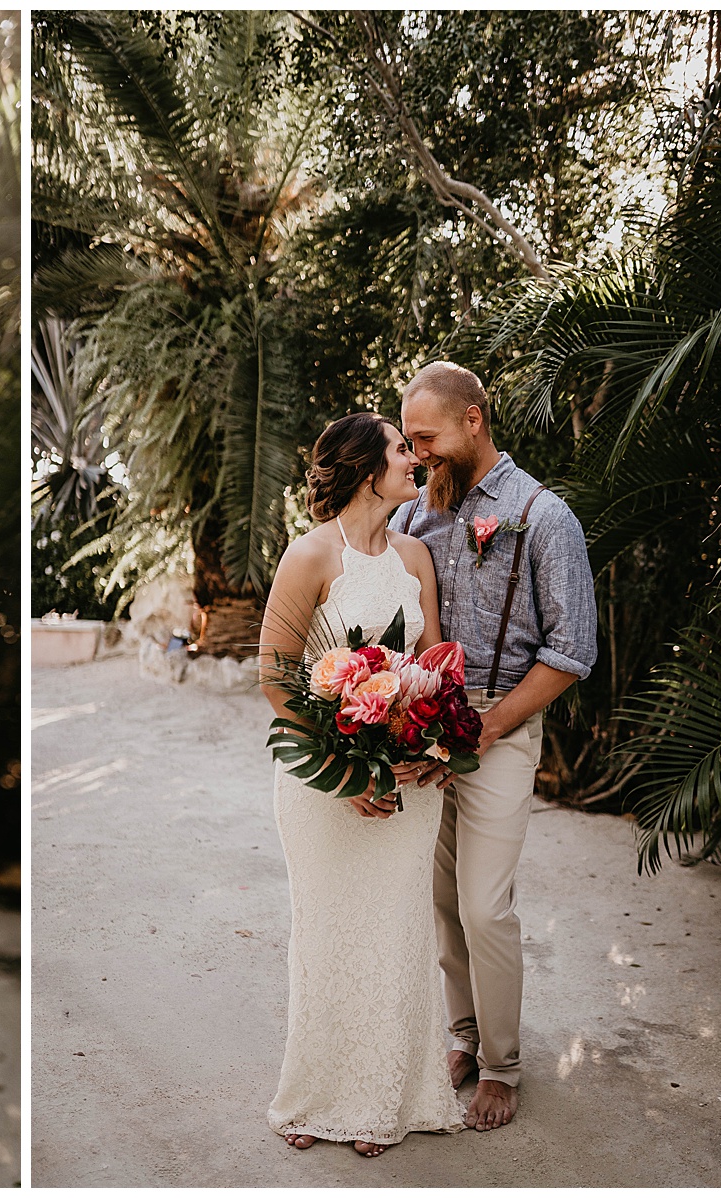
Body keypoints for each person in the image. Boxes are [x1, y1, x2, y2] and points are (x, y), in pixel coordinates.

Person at [390, 361, 597, 1132]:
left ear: (474, 420)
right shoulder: (417, 515)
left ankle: (504, 1066)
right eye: (408, 442)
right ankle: (465, 1037)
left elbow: (572, 650)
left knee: (484, 906)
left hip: (499, 727)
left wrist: (493, 722)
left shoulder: (543, 516)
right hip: (423, 725)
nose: (417, 455)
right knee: (441, 900)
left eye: (427, 438)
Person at [260, 412, 465, 1157]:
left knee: (396, 933)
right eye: (401, 450)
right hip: (324, 782)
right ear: (363, 469)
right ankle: (317, 1098)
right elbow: (277, 679)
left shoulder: (415, 557)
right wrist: (343, 770)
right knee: (329, 934)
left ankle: (385, 1101)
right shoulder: (310, 557)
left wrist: (433, 743)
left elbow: (436, 668)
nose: (414, 459)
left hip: (409, 786)